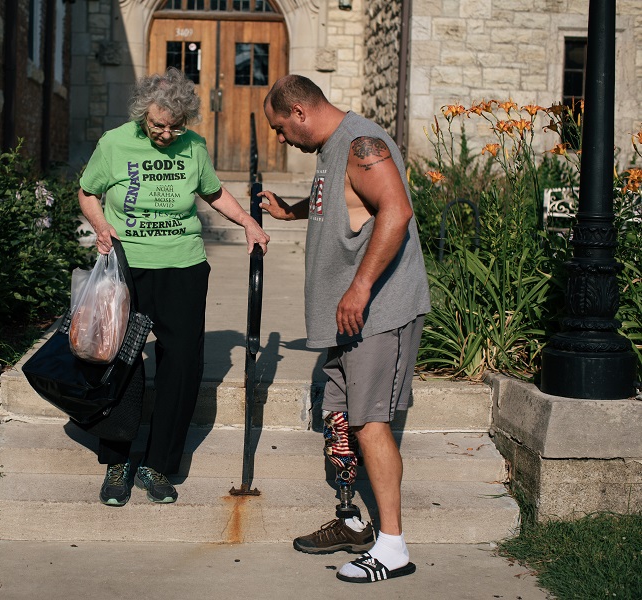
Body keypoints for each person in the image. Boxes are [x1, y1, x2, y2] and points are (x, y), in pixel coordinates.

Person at [258, 74, 430, 583]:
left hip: (377, 312)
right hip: (345, 321)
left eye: (281, 128)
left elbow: (396, 214)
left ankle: (393, 546)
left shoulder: (361, 144)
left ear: (300, 112)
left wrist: (359, 288)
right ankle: (353, 522)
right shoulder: (331, 151)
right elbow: (347, 211)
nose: (281, 139)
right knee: (338, 418)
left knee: (368, 421)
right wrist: (289, 213)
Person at [78, 67, 270, 507]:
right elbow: (87, 192)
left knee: (181, 364)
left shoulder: (194, 147)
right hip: (127, 267)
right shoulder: (114, 143)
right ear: (143, 114)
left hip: (182, 266)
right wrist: (101, 224)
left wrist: (247, 222)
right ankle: (117, 461)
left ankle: (158, 464)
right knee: (120, 362)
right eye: (157, 125)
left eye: (175, 126)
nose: (166, 133)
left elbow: (213, 191)